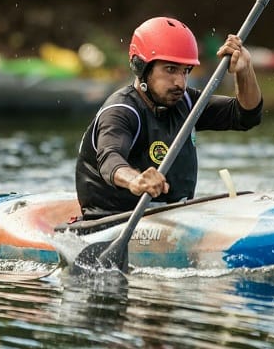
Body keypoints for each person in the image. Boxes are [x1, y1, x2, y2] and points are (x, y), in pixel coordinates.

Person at [76, 16, 263, 220]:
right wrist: (136, 180)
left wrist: (244, 70)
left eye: (185, 71)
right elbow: (109, 160)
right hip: (112, 218)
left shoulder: (187, 102)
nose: (180, 83)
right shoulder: (121, 111)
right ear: (142, 68)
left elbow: (246, 115)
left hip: (172, 214)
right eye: (170, 69)